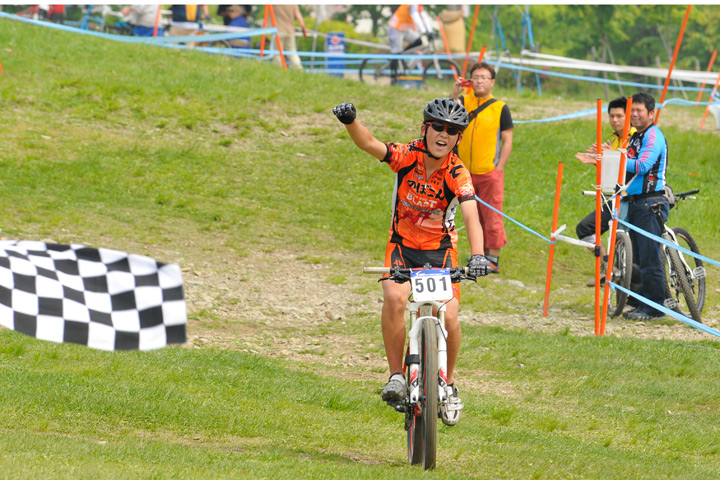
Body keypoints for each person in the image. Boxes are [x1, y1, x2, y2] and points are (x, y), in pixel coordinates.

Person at [332, 98, 491, 426]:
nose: (443, 134)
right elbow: (370, 144)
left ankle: (445, 382)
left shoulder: (457, 172)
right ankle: (396, 376)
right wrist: (350, 121)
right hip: (402, 247)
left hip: (441, 252)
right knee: (394, 298)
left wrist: (478, 255)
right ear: (425, 129)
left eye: (452, 131)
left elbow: (471, 215)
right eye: (438, 127)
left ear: (458, 138)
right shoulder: (408, 155)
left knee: (450, 315)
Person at [451, 61, 514, 274]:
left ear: (492, 82)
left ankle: (493, 258)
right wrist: (454, 94)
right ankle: (479, 254)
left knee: (492, 214)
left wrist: (499, 169)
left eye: (484, 78)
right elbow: (448, 117)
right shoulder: (462, 101)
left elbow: (507, 141)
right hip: (464, 172)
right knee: (473, 215)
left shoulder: (500, 108)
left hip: (489, 172)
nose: (479, 81)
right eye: (476, 77)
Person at [575, 97, 637, 287]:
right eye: (611, 116)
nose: (615, 120)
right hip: (616, 197)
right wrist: (599, 162)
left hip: (632, 198)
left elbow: (632, 172)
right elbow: (614, 175)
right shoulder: (615, 139)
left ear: (629, 117)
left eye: (619, 116)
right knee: (585, 228)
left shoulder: (636, 138)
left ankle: (620, 275)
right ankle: (606, 267)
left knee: (627, 242)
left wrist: (611, 156)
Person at [621, 92, 669, 321]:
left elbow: (642, 165)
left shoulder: (653, 135)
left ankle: (655, 307)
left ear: (652, 113)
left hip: (651, 202)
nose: (635, 115)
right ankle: (641, 303)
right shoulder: (634, 137)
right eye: (632, 111)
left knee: (650, 258)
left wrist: (615, 157)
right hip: (634, 202)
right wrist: (600, 158)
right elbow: (625, 168)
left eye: (640, 110)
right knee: (637, 258)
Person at [387, 5, 434, 80]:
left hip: (404, 29)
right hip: (395, 28)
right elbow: (415, 16)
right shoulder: (412, 4)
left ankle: (402, 54)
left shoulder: (419, 6)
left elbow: (424, 17)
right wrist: (424, 31)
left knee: (418, 41)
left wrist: (430, 31)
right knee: (396, 53)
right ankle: (393, 77)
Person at [270, 5, 306, 70]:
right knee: (292, 52)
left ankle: (278, 70)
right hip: (290, 30)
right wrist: (303, 27)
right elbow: (298, 14)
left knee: (277, 53)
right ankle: (298, 69)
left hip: (278, 30)